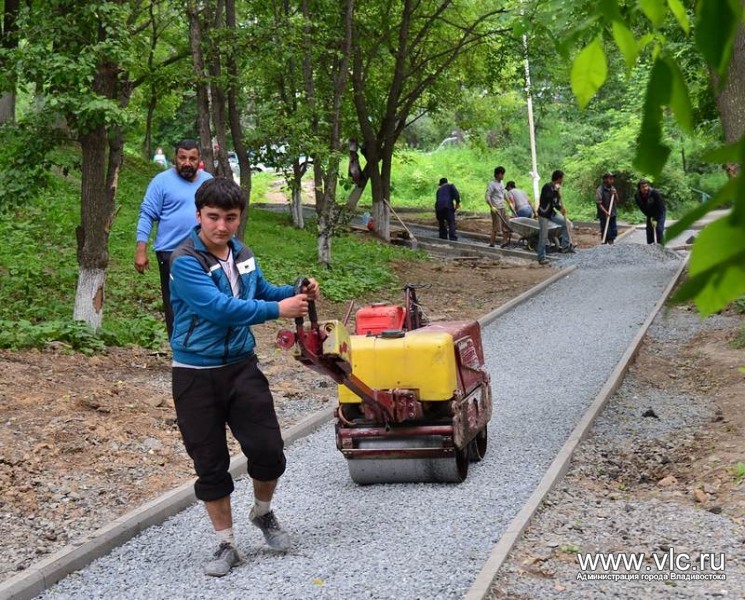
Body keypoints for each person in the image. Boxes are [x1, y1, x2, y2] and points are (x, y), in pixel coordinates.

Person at [169, 177, 319, 577]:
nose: (221, 226)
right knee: (211, 462)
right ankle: (226, 543)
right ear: (198, 215)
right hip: (194, 374)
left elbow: (261, 290)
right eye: (213, 217)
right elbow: (219, 308)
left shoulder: (243, 253)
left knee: (268, 450)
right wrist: (278, 310)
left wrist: (294, 291)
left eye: (230, 218)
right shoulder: (184, 260)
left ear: (239, 219)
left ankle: (263, 513)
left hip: (241, 367)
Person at [135, 139, 213, 338]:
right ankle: (179, 349)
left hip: (204, 252)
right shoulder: (161, 181)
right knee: (176, 304)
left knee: (205, 300)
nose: (187, 163)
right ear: (175, 159)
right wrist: (141, 251)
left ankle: (203, 347)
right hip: (171, 254)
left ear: (199, 160)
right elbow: (147, 215)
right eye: (182, 158)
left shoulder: (208, 181)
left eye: (192, 158)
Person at [536, 170, 574, 265]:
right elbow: (548, 197)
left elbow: (556, 203)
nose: (562, 180)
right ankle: (541, 257)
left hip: (551, 213)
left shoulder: (556, 189)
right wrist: (555, 191)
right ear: (558, 178)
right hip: (543, 213)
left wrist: (561, 209)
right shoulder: (547, 187)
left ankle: (565, 247)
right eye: (562, 178)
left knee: (567, 223)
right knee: (544, 236)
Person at [485, 166, 511, 247]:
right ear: (497, 174)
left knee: (506, 224)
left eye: (503, 174)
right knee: (496, 227)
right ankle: (492, 243)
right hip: (496, 208)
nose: (503, 176)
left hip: (502, 206)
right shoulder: (492, 184)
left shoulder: (502, 183)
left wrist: (509, 202)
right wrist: (491, 206)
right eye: (502, 174)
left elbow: (503, 194)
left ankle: (504, 242)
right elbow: (487, 196)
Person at [634, 179, 666, 244]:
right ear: (639, 189)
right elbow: (642, 208)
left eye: (646, 186)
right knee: (649, 231)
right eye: (643, 187)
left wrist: (655, 219)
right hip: (649, 214)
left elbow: (660, 206)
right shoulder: (637, 196)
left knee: (659, 230)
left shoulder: (654, 193)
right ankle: (650, 248)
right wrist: (649, 216)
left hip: (660, 213)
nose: (645, 188)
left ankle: (661, 248)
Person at [595, 172, 618, 244]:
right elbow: (599, 203)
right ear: (605, 180)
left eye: (612, 179)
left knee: (613, 231)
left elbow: (617, 200)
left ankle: (611, 245)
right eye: (610, 178)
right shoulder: (599, 190)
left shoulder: (613, 188)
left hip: (612, 213)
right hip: (604, 215)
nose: (612, 180)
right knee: (605, 231)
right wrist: (605, 212)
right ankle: (604, 246)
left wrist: (615, 194)